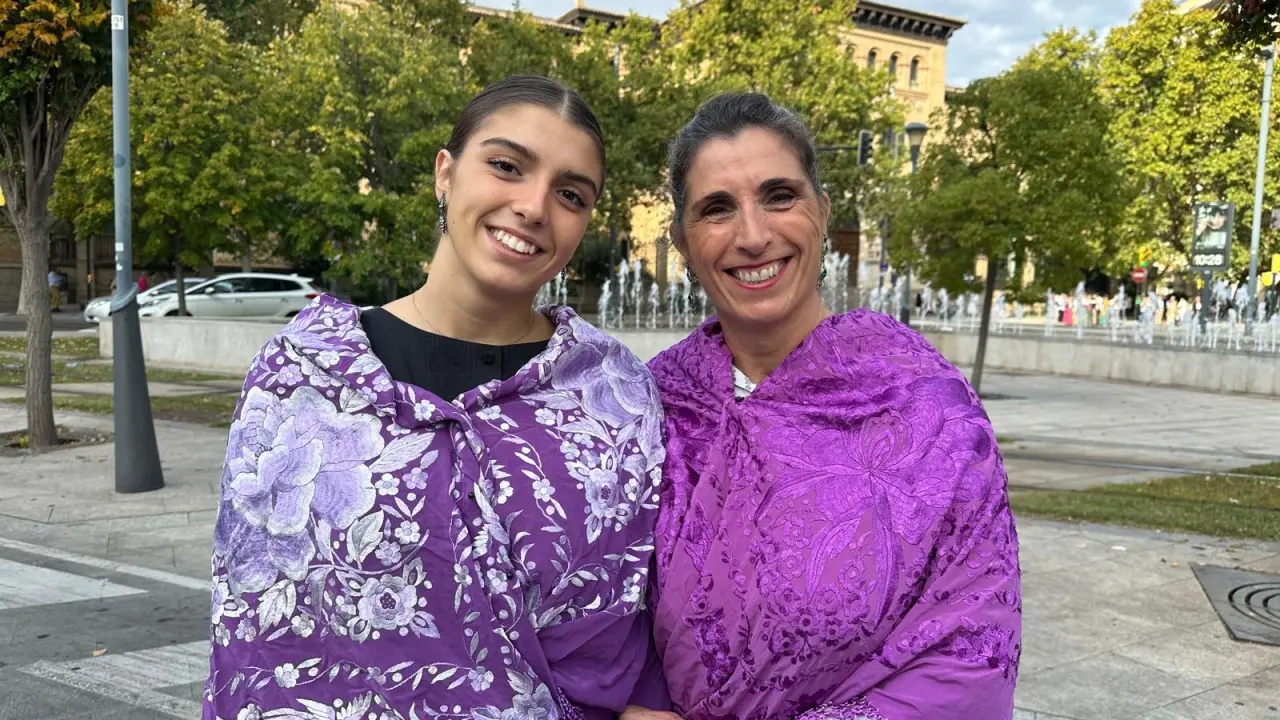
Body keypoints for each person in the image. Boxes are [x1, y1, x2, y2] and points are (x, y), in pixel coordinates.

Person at [205, 76, 671, 720]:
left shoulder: (613, 392)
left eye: (570, 194)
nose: (534, 206)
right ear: (445, 174)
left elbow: (630, 620)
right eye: (506, 166)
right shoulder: (301, 371)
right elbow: (253, 618)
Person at [644, 93, 1021, 719]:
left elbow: (972, 653)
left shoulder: (925, 407)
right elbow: (597, 613)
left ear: (822, 211)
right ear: (682, 241)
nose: (753, 235)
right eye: (717, 208)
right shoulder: (647, 405)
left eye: (779, 196)